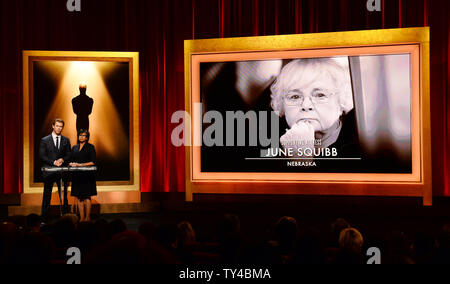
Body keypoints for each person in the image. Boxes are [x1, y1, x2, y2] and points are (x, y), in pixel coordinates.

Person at [270, 58, 360, 160]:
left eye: (320, 95)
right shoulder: (268, 147)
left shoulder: (362, 147)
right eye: (295, 96)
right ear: (282, 105)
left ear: (341, 101)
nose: (306, 105)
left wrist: (301, 162)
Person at [39, 118, 72, 222]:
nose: (59, 128)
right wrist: (53, 162)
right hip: (49, 171)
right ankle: (44, 219)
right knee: (47, 195)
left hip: (61, 172)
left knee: (64, 195)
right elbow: (42, 156)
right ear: (53, 126)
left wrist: (62, 159)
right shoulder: (45, 140)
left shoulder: (66, 140)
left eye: (61, 126)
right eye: (57, 126)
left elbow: (69, 154)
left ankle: (66, 218)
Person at [69, 129, 97, 222]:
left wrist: (80, 165)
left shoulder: (90, 147)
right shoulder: (74, 147)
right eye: (80, 135)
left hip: (87, 175)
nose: (81, 137)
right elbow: (71, 159)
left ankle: (87, 217)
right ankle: (81, 218)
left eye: (84, 135)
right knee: (78, 196)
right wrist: (72, 163)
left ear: (87, 137)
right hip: (77, 175)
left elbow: (93, 162)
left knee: (87, 196)